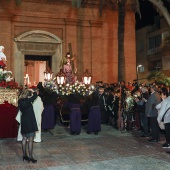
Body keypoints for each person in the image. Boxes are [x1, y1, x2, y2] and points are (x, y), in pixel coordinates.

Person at [18, 88, 38, 163]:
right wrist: (33, 91)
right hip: (30, 121)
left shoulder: (20, 101)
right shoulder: (28, 101)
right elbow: (35, 96)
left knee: (24, 138)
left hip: (24, 121)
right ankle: (30, 157)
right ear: (27, 94)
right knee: (30, 140)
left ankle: (24, 155)